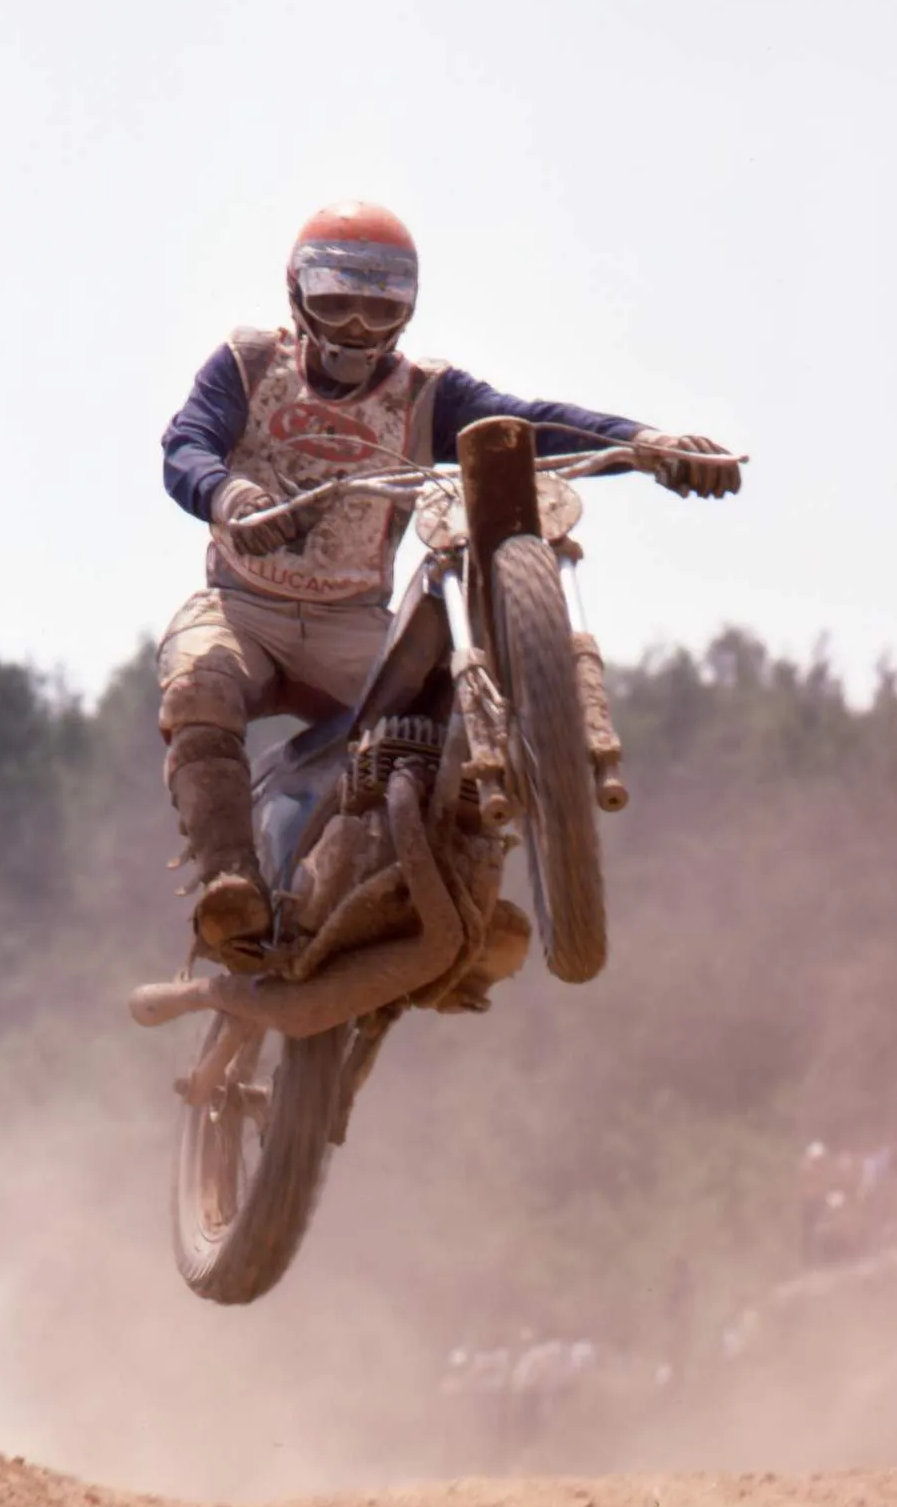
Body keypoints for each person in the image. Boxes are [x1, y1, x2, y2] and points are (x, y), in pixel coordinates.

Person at [157, 200, 743, 953]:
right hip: (243, 606)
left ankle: (468, 893)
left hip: (352, 621)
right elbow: (187, 444)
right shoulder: (248, 364)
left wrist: (647, 444)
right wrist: (229, 495)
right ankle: (229, 883)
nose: (358, 326)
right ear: (296, 294)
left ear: (409, 307)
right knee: (198, 683)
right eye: (338, 301)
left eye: (381, 305)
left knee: (457, 713)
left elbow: (527, 424)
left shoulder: (425, 394)